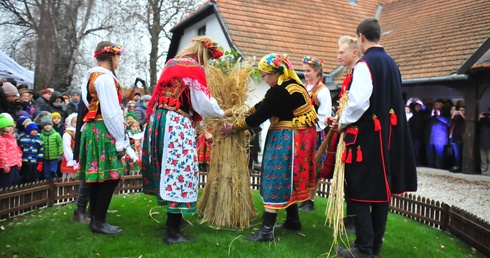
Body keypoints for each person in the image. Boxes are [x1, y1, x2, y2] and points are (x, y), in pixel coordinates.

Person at [328, 18, 417, 258]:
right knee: (379, 197)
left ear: (361, 37)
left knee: (358, 194)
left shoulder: (365, 64)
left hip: (368, 139)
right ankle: (374, 249)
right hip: (389, 138)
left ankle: (363, 250)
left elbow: (358, 103)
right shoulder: (392, 63)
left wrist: (342, 122)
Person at [220, 53, 318, 242]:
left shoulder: (281, 90)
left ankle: (266, 231)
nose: (263, 79)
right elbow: (262, 105)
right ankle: (293, 220)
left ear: (276, 73)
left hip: (287, 138)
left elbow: (260, 115)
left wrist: (234, 127)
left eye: (264, 75)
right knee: (288, 179)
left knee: (276, 176)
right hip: (299, 138)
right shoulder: (291, 86)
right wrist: (238, 113)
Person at [141, 36, 225, 244]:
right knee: (180, 169)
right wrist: (221, 112)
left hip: (159, 120)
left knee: (168, 170)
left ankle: (173, 223)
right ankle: (173, 232)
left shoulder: (172, 63)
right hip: (176, 122)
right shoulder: (193, 67)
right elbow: (201, 103)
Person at [78, 41, 127, 235]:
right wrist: (121, 138)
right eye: (118, 57)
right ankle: (99, 220)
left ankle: (96, 218)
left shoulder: (91, 76)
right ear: (111, 57)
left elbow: (87, 103)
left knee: (100, 176)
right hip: (103, 128)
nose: (119, 61)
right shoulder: (105, 78)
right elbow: (111, 112)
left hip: (93, 127)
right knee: (109, 176)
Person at [298, 56, 331, 212]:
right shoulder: (303, 87)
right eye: (304, 70)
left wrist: (312, 126)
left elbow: (324, 116)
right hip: (301, 133)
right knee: (302, 166)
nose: (305, 73)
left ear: (317, 71)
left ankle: (310, 199)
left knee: (315, 166)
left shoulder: (322, 91)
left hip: (315, 133)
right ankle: (302, 197)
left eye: (308, 71)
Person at [424, 98, 451, 169]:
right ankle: (430, 166)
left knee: (439, 154)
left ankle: (439, 167)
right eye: (435, 104)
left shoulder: (446, 112)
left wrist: (439, 116)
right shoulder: (431, 111)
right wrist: (431, 115)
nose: (436, 105)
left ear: (442, 105)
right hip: (430, 136)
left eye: (438, 104)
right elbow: (424, 120)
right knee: (429, 153)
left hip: (440, 137)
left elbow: (449, 122)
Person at [0, 113, 23, 188]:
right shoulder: (2, 139)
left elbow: (17, 150)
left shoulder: (12, 137)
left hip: (14, 163)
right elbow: (2, 153)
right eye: (8, 126)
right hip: (7, 165)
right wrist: (5, 164)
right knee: (6, 184)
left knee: (15, 182)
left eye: (11, 126)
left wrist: (19, 160)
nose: (10, 128)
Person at [39, 116, 62, 180]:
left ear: (52, 125)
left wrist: (60, 153)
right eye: (45, 125)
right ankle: (47, 184)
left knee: (53, 171)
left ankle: (54, 181)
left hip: (54, 156)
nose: (47, 126)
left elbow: (60, 144)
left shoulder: (56, 134)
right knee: (46, 172)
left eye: (49, 124)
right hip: (45, 157)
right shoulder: (41, 135)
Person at [60, 113, 79, 179]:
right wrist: (71, 159)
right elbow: (66, 147)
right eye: (75, 122)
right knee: (70, 176)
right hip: (70, 157)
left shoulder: (80, 132)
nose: (77, 124)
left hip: (79, 157)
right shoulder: (67, 134)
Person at [449, 106, 465, 172]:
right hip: (454, 138)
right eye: (459, 110)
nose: (460, 112)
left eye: (462, 110)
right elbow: (450, 123)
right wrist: (453, 115)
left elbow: (467, 123)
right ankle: (456, 166)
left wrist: (463, 115)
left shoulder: (465, 118)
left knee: (460, 154)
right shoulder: (456, 118)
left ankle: (460, 167)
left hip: (462, 138)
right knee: (456, 154)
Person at [479, 109, 490, 176]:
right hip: (482, 141)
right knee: (483, 159)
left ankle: (488, 172)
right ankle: (484, 171)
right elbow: (477, 127)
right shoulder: (482, 122)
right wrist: (479, 118)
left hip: (484, 141)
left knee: (488, 159)